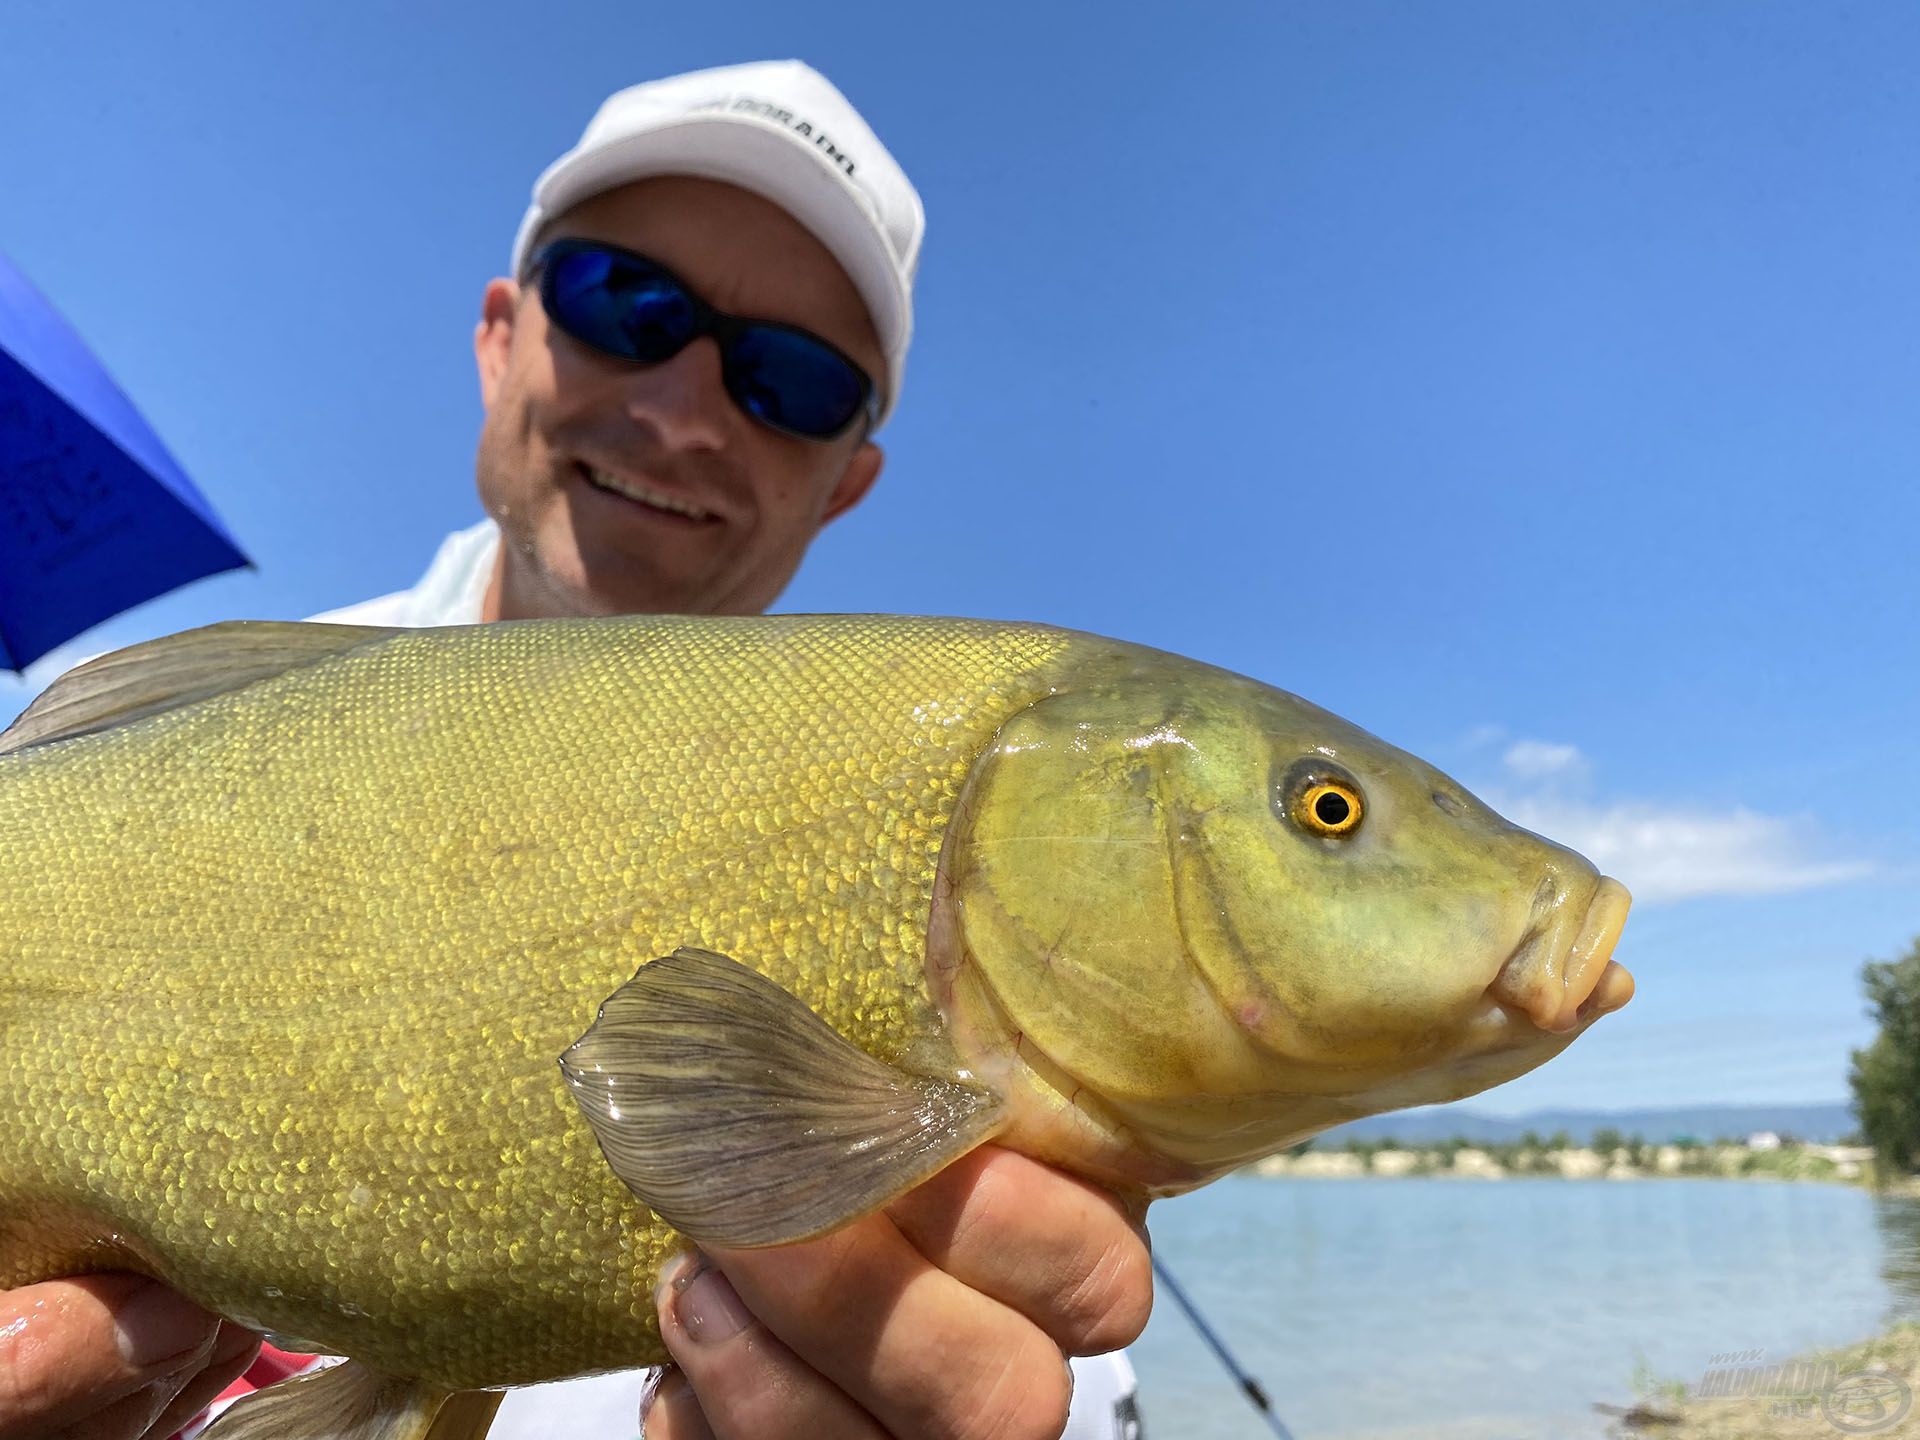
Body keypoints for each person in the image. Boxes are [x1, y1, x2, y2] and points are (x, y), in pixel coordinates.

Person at [0, 62, 1151, 1440]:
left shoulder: (1000, 1016)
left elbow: (1062, 1368)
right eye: (626, 303)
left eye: (790, 378)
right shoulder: (148, 768)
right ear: (502, 335)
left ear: (846, 480)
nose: (680, 407)